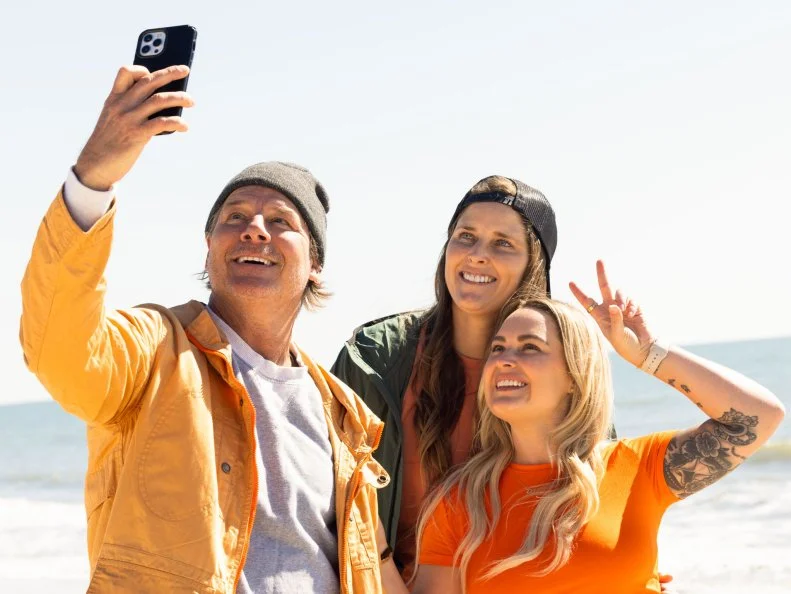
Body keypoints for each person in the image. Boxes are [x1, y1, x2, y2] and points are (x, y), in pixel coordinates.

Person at [19, 64, 391, 593]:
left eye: (281, 221)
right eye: (233, 217)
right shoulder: (154, 352)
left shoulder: (343, 415)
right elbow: (61, 350)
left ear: (315, 264)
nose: (253, 229)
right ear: (210, 247)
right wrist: (93, 180)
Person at [411, 261, 785, 593]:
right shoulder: (463, 500)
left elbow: (757, 418)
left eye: (529, 347)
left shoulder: (637, 465)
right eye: (498, 348)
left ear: (575, 375)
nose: (505, 360)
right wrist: (373, 545)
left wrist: (649, 352)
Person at [331, 175, 558, 576]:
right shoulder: (377, 358)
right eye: (465, 236)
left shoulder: (562, 366)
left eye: (503, 243)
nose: (477, 255)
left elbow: (600, 491)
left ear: (533, 265)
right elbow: (323, 493)